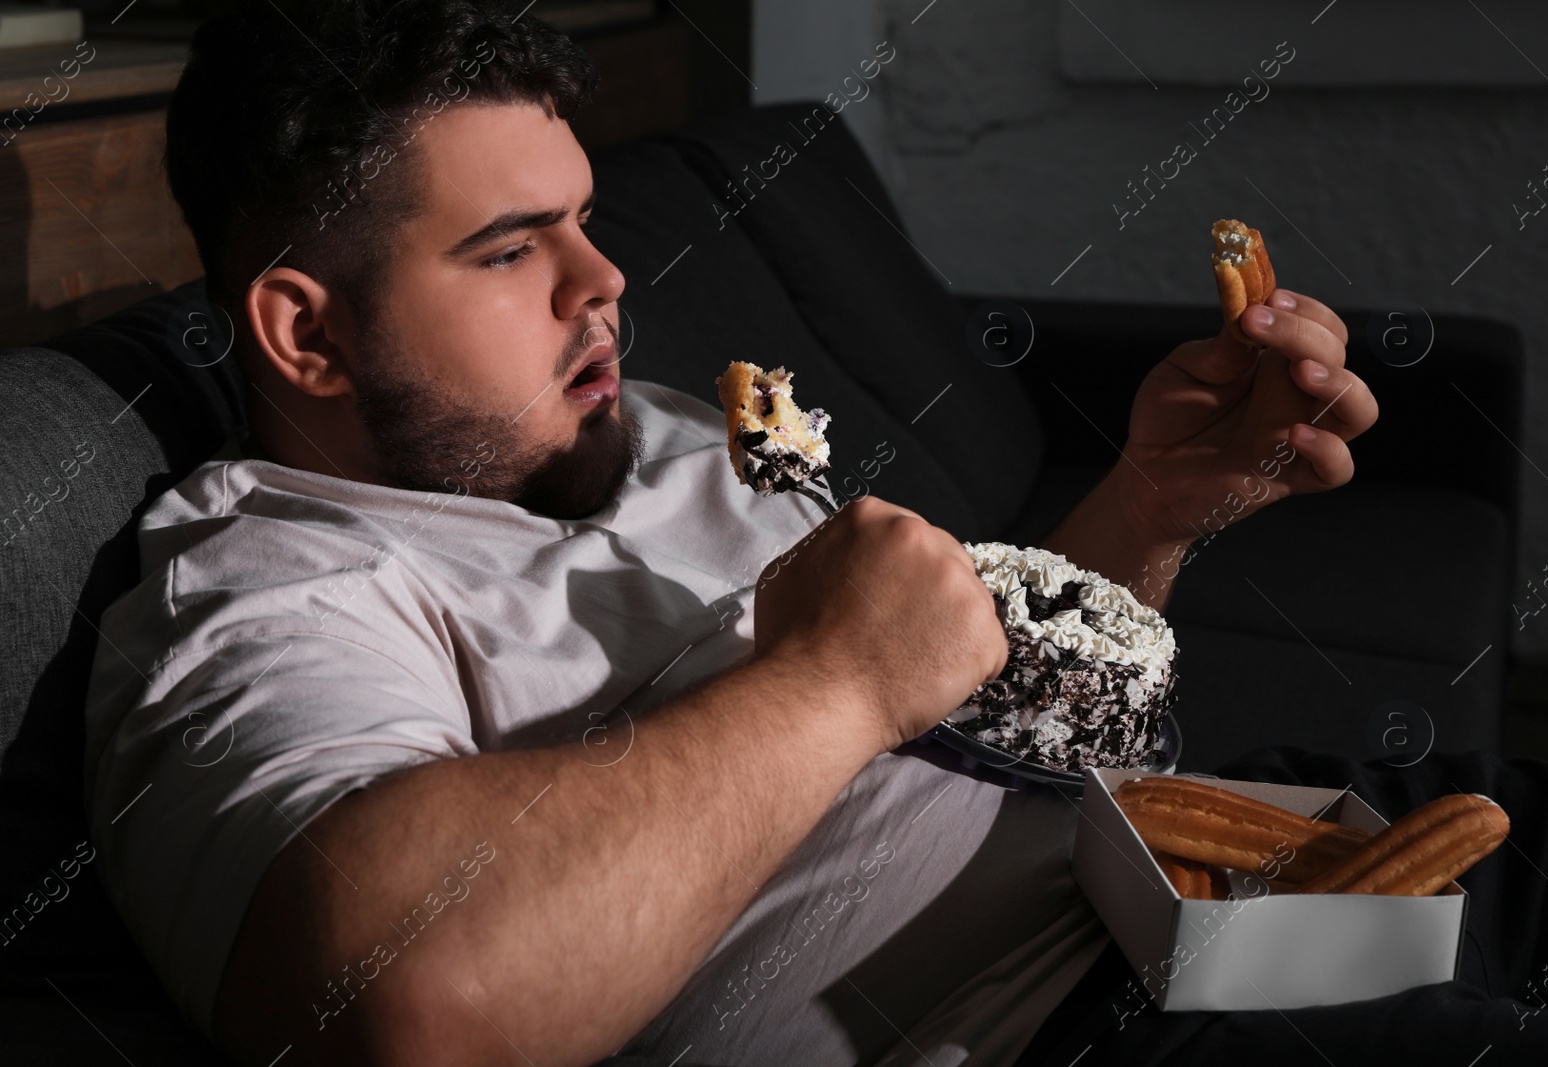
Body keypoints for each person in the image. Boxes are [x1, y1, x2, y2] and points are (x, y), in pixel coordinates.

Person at [86, 3, 1447, 1065]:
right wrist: (831, 681)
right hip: (1093, 1031)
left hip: (1248, 864)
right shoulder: (270, 592)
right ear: (306, 331)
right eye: (509, 250)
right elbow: (410, 1007)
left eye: (583, 220)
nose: (603, 280)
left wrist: (1156, 505)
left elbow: (970, 695)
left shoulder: (657, 424)